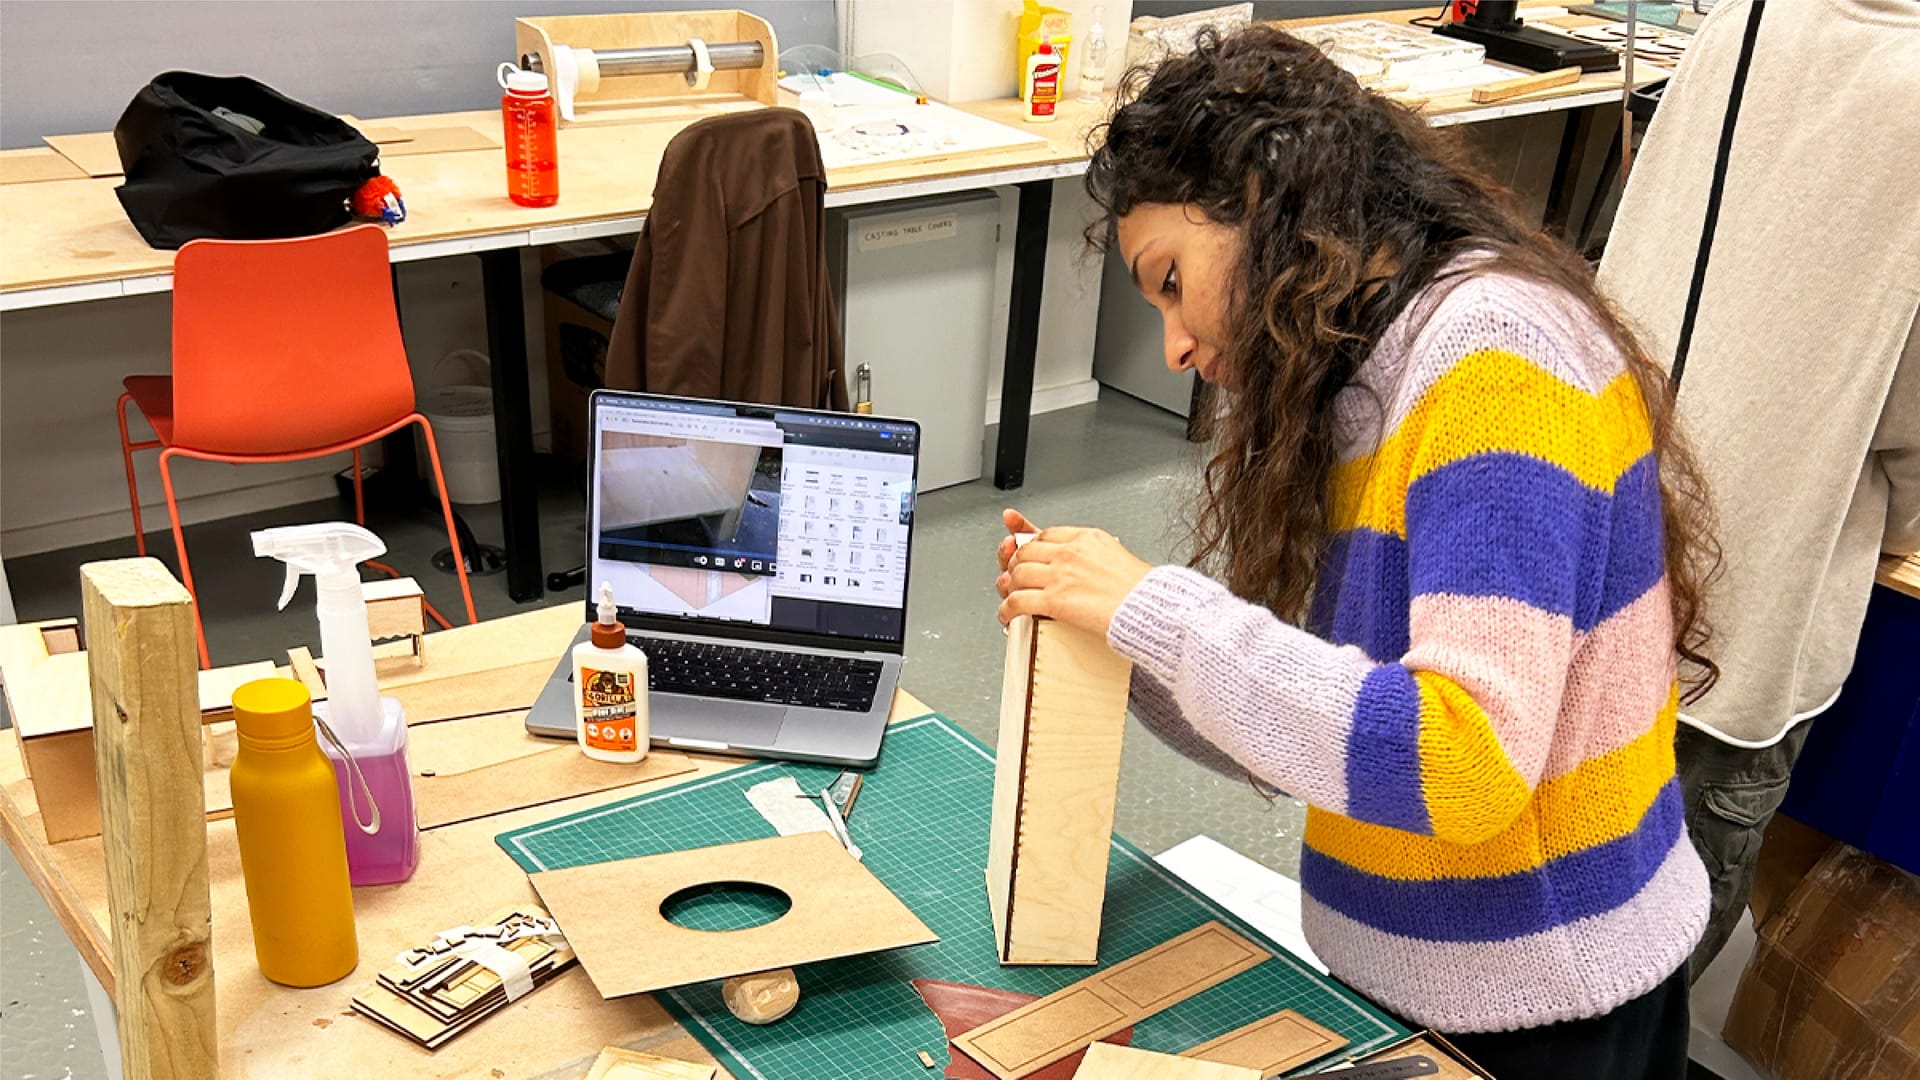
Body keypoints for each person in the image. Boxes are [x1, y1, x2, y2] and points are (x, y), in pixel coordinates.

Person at [995, 27, 1719, 1080]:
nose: (1175, 349)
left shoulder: (1493, 367)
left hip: (1547, 1007)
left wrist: (1160, 610)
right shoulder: (1363, 373)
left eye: (1171, 281)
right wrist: (1117, 642)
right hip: (1423, 981)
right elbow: (1333, 730)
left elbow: (1456, 763)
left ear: (1266, 198)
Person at [1596, 0, 1920, 981]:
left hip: (1599, 530)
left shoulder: (1743, 18)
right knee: (1641, 976)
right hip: (1748, 604)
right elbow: (1911, 421)